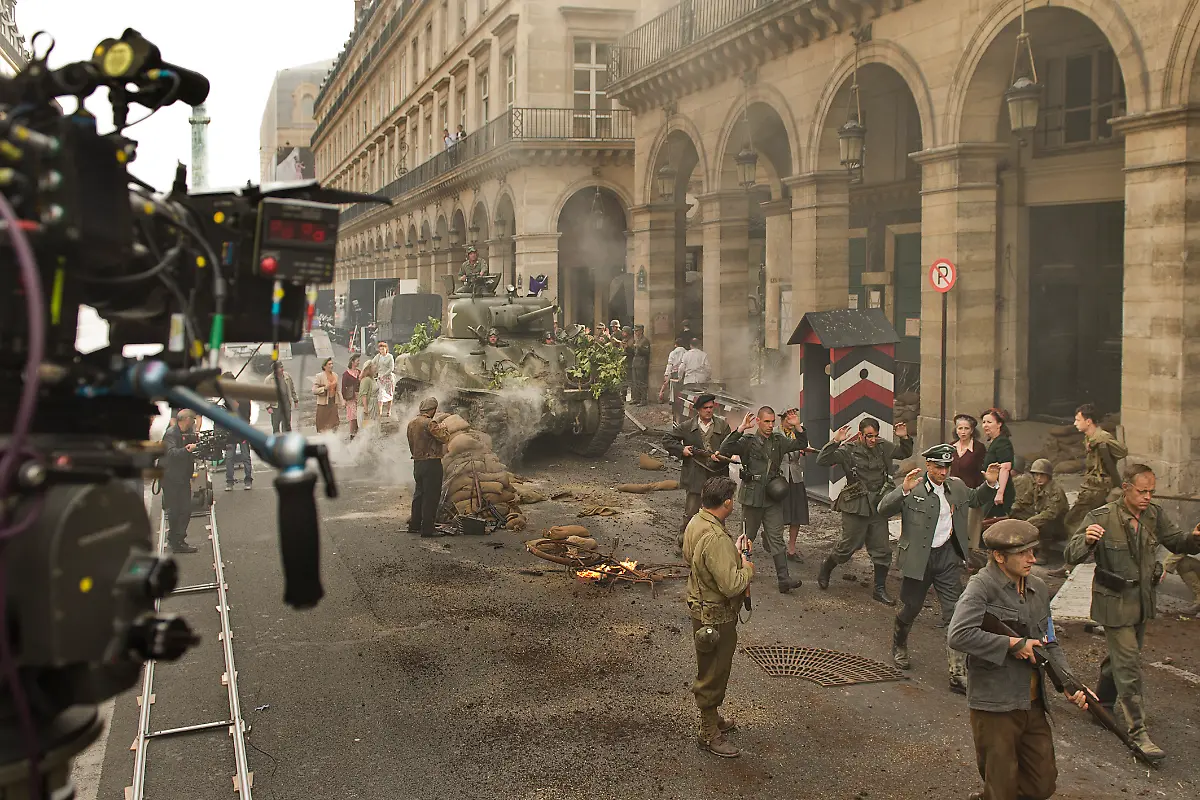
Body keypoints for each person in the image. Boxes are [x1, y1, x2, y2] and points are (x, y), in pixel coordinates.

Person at [1063, 463, 1200, 760]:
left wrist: (1196, 536)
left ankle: (1103, 705)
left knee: (1120, 657)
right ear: (1126, 488)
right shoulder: (1101, 517)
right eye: (1142, 491)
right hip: (1114, 601)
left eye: (1152, 491)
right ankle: (1138, 732)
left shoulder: (1154, 515)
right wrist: (1087, 539)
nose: (1148, 497)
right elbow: (1070, 554)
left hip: (1142, 602)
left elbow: (1178, 542)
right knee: (1129, 664)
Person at [948, 519, 1090, 800]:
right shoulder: (982, 587)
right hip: (995, 704)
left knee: (1042, 783)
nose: (1032, 558)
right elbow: (958, 635)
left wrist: (1071, 684)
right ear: (999, 557)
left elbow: (1049, 641)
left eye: (1032, 551)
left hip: (1032, 703)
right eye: (1023, 553)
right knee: (1002, 787)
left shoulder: (1037, 588)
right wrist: (1012, 644)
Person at [879, 444, 1000, 693]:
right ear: (929, 466)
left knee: (955, 613)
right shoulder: (914, 486)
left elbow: (975, 499)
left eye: (947, 467)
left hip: (947, 557)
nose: (943, 472)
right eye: (938, 467)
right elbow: (883, 509)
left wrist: (989, 484)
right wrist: (902, 490)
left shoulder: (955, 487)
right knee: (911, 607)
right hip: (918, 559)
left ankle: (957, 673)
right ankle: (899, 644)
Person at [683, 475, 753, 758]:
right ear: (727, 503)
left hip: (702, 608)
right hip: (716, 616)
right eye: (732, 499)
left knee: (711, 667)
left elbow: (698, 561)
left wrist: (732, 554)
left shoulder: (697, 522)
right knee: (714, 672)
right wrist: (747, 566)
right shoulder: (716, 537)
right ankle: (708, 732)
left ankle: (712, 719)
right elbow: (733, 584)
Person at [816, 417, 913, 603]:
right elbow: (823, 460)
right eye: (869, 436)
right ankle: (826, 568)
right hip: (856, 504)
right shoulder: (848, 450)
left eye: (875, 436)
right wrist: (836, 441)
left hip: (878, 504)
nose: (872, 440)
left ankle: (879, 589)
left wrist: (905, 437)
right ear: (860, 434)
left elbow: (903, 453)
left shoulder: (882, 446)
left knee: (882, 549)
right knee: (847, 546)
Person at [719, 407, 807, 593]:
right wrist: (741, 429)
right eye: (766, 421)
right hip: (752, 496)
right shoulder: (748, 442)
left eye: (772, 421)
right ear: (758, 421)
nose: (770, 425)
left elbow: (800, 444)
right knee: (746, 537)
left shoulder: (778, 441)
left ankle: (783, 579)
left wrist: (797, 426)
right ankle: (735, 574)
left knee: (776, 537)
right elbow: (724, 449)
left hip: (772, 496)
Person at [663, 393, 731, 551]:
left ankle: (718, 547)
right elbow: (667, 439)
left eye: (711, 407)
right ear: (698, 410)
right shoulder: (688, 426)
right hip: (695, 476)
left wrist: (722, 455)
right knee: (691, 513)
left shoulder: (722, 426)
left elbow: (731, 446)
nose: (709, 411)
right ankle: (683, 544)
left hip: (716, 476)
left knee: (718, 514)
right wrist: (682, 450)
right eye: (705, 408)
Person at [1063, 403, 1128, 536]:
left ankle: (1081, 547)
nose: (1075, 423)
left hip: (1098, 488)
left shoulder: (1101, 437)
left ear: (1088, 421)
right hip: (1091, 486)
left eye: (1078, 420)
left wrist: (1099, 440)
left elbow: (1122, 451)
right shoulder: (1089, 437)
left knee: (1072, 520)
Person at [1010, 459, 1069, 565]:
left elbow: (1050, 514)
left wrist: (1030, 522)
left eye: (1042, 475)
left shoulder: (1055, 491)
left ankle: (1043, 553)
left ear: (1048, 476)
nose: (1038, 478)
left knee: (1046, 523)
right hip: (1041, 518)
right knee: (1018, 515)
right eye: (1036, 475)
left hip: (1059, 527)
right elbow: (1024, 501)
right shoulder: (1037, 487)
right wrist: (1010, 511)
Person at [407, 397, 451, 538]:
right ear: (432, 410)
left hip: (417, 463)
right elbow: (444, 438)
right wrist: (444, 429)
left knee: (419, 494)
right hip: (431, 463)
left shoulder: (411, 423)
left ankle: (414, 525)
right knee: (431, 496)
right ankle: (427, 529)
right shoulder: (430, 423)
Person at [160, 410, 200, 554]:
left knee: (185, 509)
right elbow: (171, 453)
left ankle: (177, 539)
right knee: (176, 510)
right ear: (186, 420)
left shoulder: (186, 433)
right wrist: (187, 450)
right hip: (170, 478)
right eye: (193, 419)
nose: (194, 422)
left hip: (181, 477)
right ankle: (176, 541)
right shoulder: (171, 434)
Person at [950, 414, 987, 549]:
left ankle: (970, 556)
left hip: (971, 492)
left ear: (972, 430)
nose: (963, 432)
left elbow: (982, 471)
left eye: (966, 428)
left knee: (970, 528)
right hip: (953, 493)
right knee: (953, 525)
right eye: (960, 428)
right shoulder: (951, 447)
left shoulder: (978, 448)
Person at [779, 408, 810, 563]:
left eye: (793, 417)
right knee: (778, 514)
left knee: (796, 514)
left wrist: (798, 427)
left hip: (796, 477)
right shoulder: (775, 433)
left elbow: (804, 443)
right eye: (788, 418)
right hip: (780, 478)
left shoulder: (797, 433)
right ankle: (777, 546)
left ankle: (791, 549)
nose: (790, 421)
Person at [979, 408, 1015, 521]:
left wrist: (1000, 493)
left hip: (999, 493)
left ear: (999, 424)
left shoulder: (1002, 442)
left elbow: (1005, 468)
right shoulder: (994, 442)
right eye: (984, 422)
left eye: (989, 422)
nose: (985, 425)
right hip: (991, 489)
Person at [264, 361, 298, 435]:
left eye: (282, 367)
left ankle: (287, 440)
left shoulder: (287, 377)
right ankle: (277, 441)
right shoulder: (269, 380)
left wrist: (295, 400)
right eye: (280, 368)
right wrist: (268, 407)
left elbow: (292, 388)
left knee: (287, 425)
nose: (282, 369)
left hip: (286, 403)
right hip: (275, 405)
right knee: (276, 426)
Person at [312, 357, 343, 433]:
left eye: (332, 364)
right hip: (323, 404)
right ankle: (323, 439)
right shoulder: (319, 376)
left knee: (334, 423)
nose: (331, 365)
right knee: (323, 424)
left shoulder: (335, 375)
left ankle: (333, 438)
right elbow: (314, 390)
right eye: (329, 364)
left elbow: (338, 390)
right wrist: (325, 388)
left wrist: (342, 401)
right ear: (324, 366)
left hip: (333, 402)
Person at [659, 335, 689, 404]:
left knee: (673, 386)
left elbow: (670, 364)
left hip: (674, 371)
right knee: (682, 387)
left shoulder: (672, 353)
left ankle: (672, 400)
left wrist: (667, 374)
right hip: (684, 372)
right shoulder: (686, 352)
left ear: (675, 345)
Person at [628, 324, 651, 405]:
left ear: (641, 331)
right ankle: (636, 398)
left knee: (642, 382)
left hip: (641, 363)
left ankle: (643, 399)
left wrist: (638, 347)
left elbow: (646, 352)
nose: (635, 333)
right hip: (636, 362)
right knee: (635, 382)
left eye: (637, 331)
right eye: (635, 331)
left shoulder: (645, 340)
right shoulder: (637, 340)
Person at [372, 341, 395, 418]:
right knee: (380, 395)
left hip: (388, 378)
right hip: (380, 378)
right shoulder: (378, 356)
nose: (382, 351)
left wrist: (385, 375)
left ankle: (389, 410)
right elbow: (372, 363)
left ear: (386, 349)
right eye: (380, 349)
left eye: (383, 349)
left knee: (389, 395)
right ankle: (380, 411)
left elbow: (391, 368)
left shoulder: (390, 357)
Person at [342, 354, 362, 439]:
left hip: (359, 396)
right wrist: (344, 399)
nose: (358, 362)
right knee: (352, 417)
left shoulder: (359, 372)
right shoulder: (346, 374)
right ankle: (352, 435)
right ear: (353, 362)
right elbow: (343, 387)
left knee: (359, 416)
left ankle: (357, 433)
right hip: (350, 398)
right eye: (357, 361)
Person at [358, 361, 379, 430]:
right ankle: (366, 439)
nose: (375, 367)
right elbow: (364, 395)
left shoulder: (372, 379)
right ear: (369, 369)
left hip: (373, 405)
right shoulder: (366, 380)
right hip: (368, 406)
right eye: (373, 366)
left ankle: (373, 438)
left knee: (373, 425)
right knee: (366, 427)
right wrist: (366, 409)